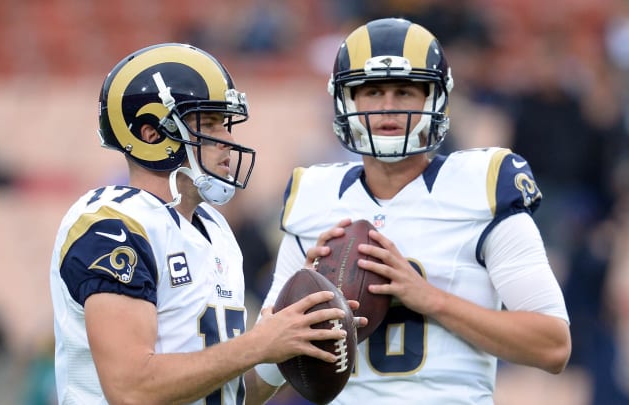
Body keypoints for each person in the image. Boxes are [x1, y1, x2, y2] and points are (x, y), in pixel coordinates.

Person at [251, 18, 572, 404]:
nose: (388, 108)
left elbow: (553, 346)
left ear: (434, 100)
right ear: (346, 101)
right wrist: (294, 318)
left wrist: (429, 298)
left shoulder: (484, 187)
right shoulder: (313, 199)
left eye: (404, 92)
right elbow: (254, 389)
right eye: (371, 92)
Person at [49, 43, 353, 404]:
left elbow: (228, 395)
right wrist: (257, 344)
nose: (227, 140)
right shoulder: (112, 226)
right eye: (209, 124)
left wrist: (289, 339)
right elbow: (131, 390)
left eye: (226, 125)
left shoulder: (216, 230)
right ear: (151, 133)